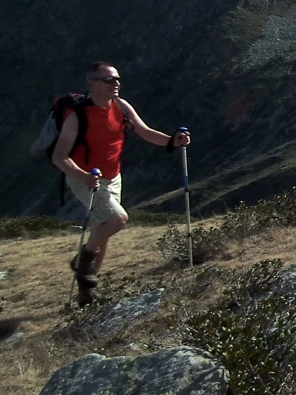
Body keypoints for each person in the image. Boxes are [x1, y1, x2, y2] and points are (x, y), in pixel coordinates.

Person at [51, 62, 191, 305]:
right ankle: (82, 260)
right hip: (85, 177)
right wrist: (83, 176)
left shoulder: (121, 106)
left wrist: (172, 141)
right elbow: (59, 156)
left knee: (102, 231)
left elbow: (144, 131)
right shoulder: (78, 114)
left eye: (117, 79)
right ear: (93, 84)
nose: (116, 83)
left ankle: (87, 294)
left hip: (113, 176)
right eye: (108, 80)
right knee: (117, 219)